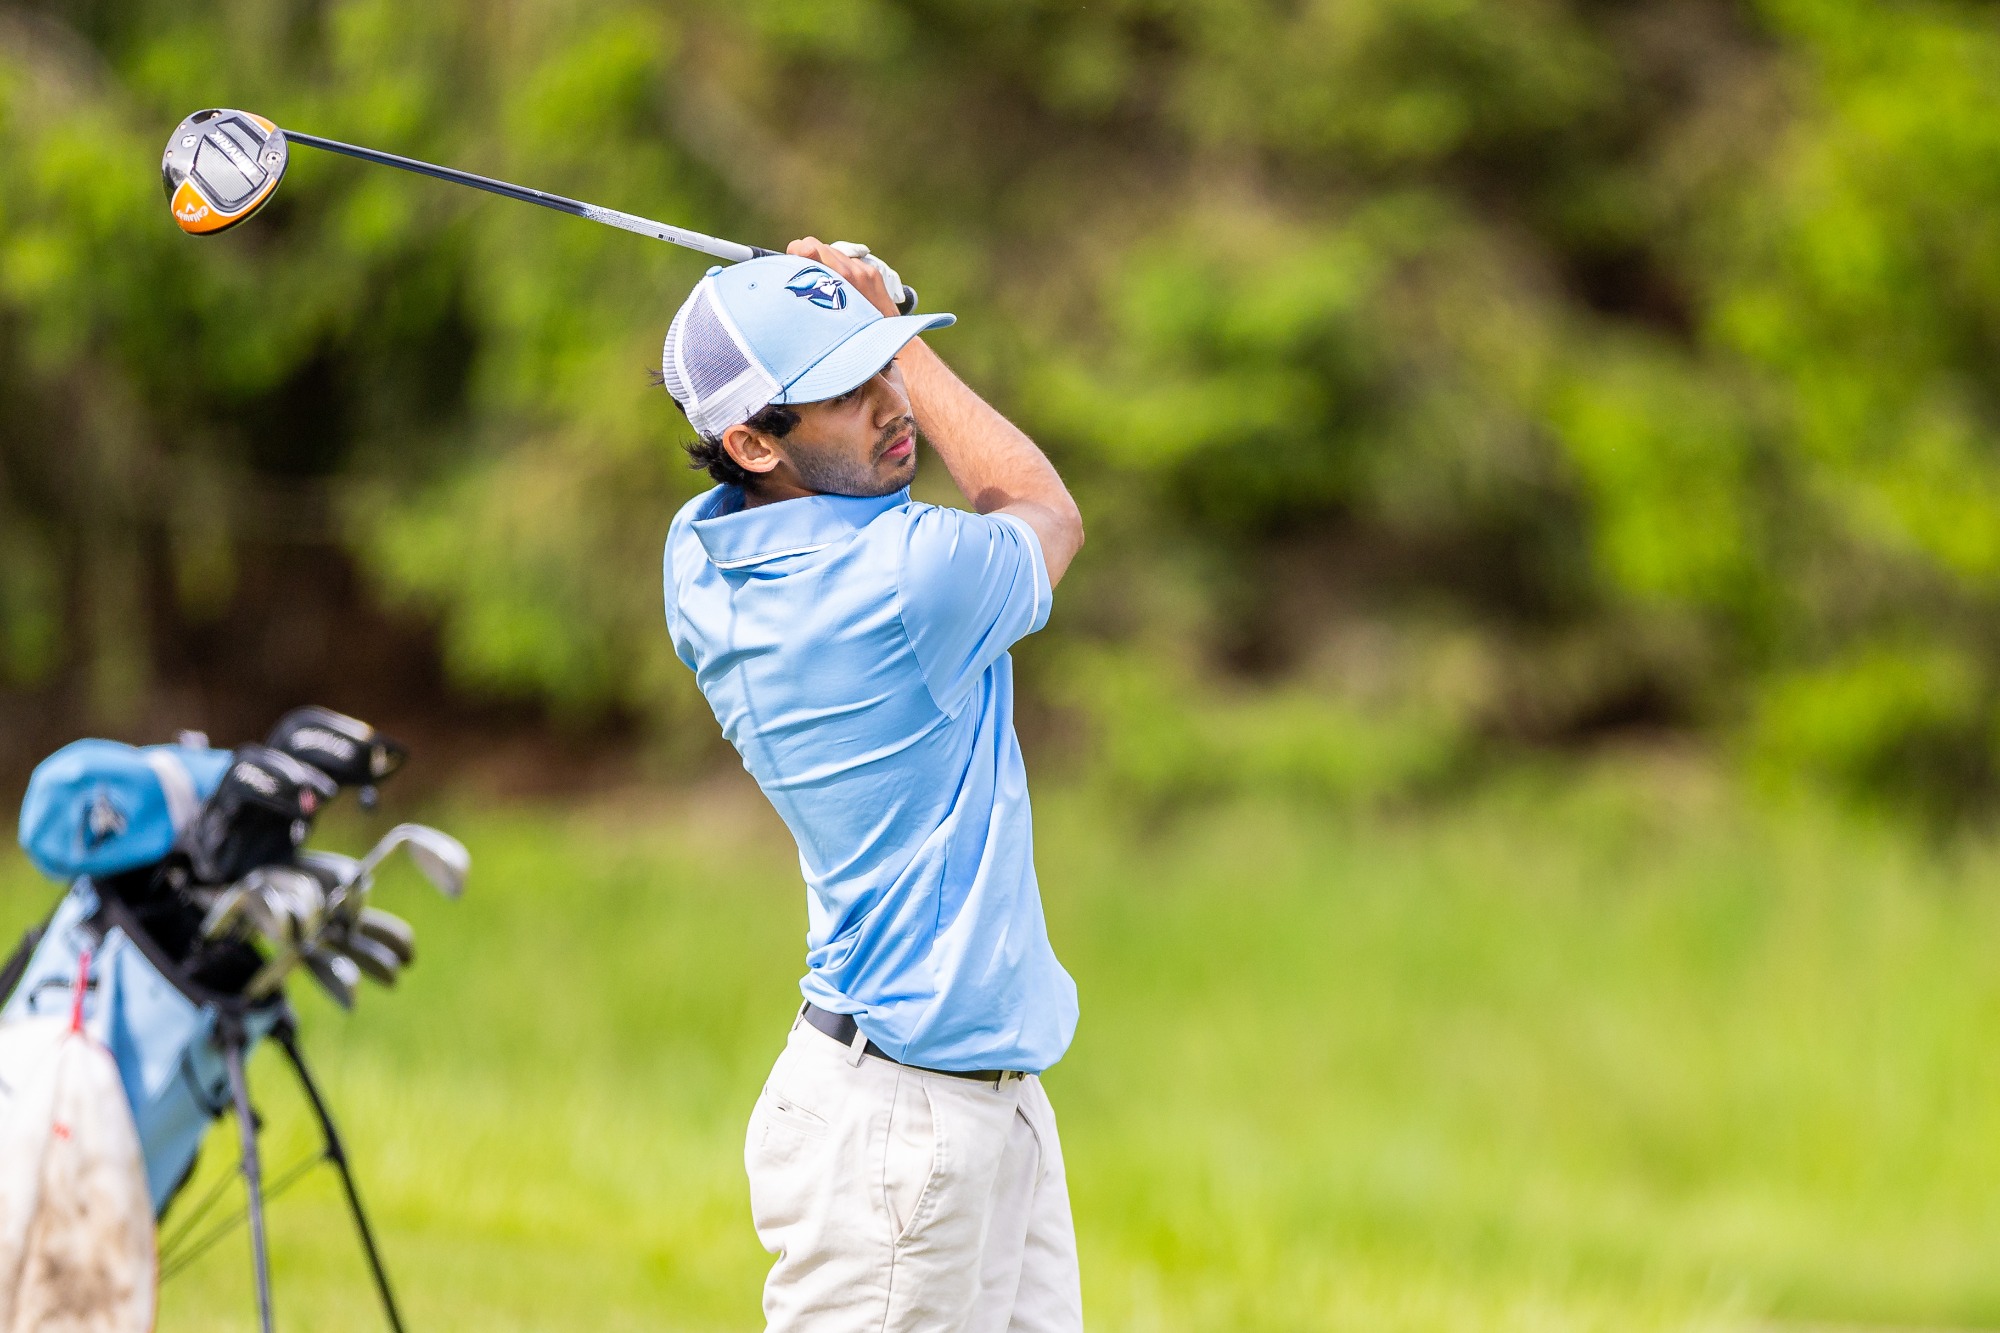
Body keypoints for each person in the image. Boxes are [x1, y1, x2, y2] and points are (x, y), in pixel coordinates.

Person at [659, 238, 1086, 1332]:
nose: (891, 401)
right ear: (752, 440)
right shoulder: (904, 582)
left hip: (970, 1103)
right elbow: (1043, 508)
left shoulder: (699, 557)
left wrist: (832, 314)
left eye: (887, 366)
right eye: (846, 392)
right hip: (901, 1135)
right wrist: (888, 306)